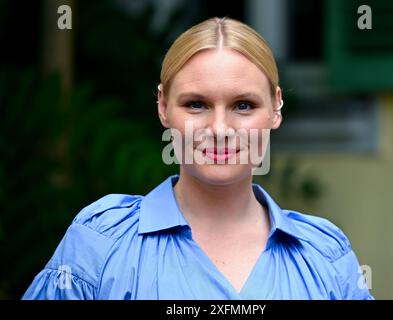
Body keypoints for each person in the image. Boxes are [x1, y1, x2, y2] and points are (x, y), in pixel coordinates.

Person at [23, 17, 373, 300]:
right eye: (196, 104)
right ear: (162, 107)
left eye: (243, 105)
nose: (219, 128)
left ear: (276, 107)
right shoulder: (99, 244)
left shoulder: (325, 256)